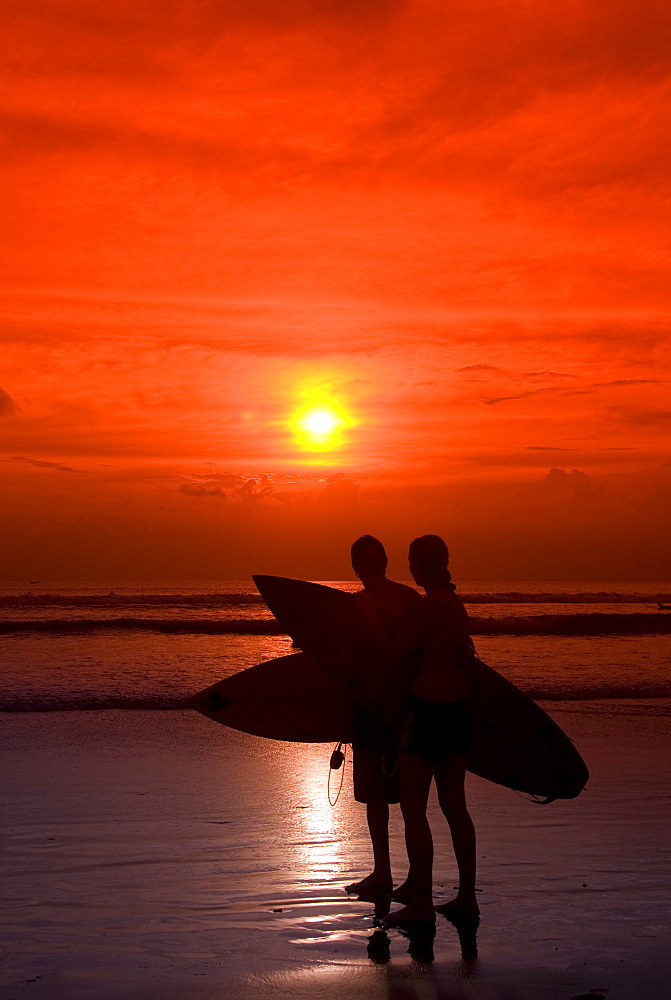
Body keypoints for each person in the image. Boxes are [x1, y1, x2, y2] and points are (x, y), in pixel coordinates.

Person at [384, 534, 479, 924]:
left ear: (415, 565)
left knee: (413, 809)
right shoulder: (455, 604)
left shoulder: (431, 606)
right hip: (457, 713)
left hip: (426, 714)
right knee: (455, 807)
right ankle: (466, 897)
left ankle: (422, 903)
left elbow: (397, 653)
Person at [345, 535, 423, 897]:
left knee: (410, 800)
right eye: (365, 561)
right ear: (355, 566)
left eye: (377, 559)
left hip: (404, 708)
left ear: (386, 561)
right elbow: (341, 653)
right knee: (374, 798)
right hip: (366, 706)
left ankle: (415, 878)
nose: (372, 566)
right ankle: (382, 873)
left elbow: (421, 650)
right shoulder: (351, 604)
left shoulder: (408, 599)